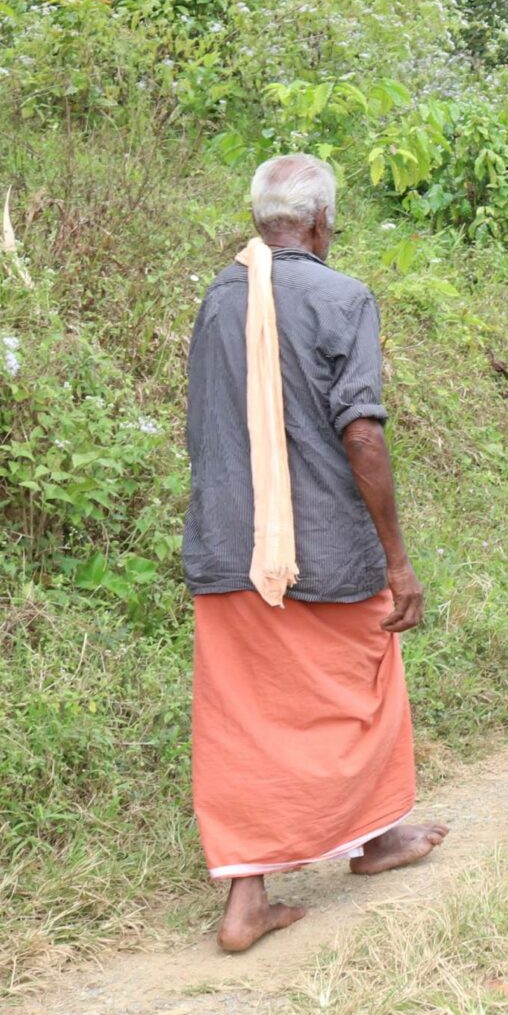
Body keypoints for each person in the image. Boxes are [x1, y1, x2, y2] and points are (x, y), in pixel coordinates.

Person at [182, 153, 447, 952]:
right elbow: (359, 431)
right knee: (367, 686)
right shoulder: (342, 296)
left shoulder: (218, 298)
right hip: (326, 548)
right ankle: (377, 840)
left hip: (229, 546)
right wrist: (398, 559)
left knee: (241, 718)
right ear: (325, 222)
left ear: (262, 220)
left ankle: (247, 901)